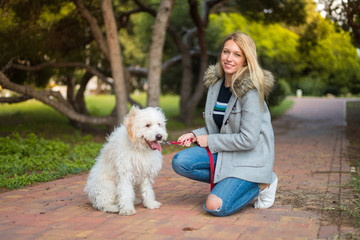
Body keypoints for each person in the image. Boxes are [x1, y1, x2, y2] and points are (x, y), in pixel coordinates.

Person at [171, 32, 278, 217]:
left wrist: (209, 140)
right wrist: (195, 135)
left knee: (215, 206)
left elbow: (248, 140)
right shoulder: (216, 85)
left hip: (249, 158)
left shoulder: (250, 91)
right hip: (227, 154)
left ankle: (264, 182)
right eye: (226, 52)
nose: (229, 58)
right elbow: (218, 126)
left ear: (246, 60)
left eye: (237, 54)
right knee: (180, 162)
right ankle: (229, 181)